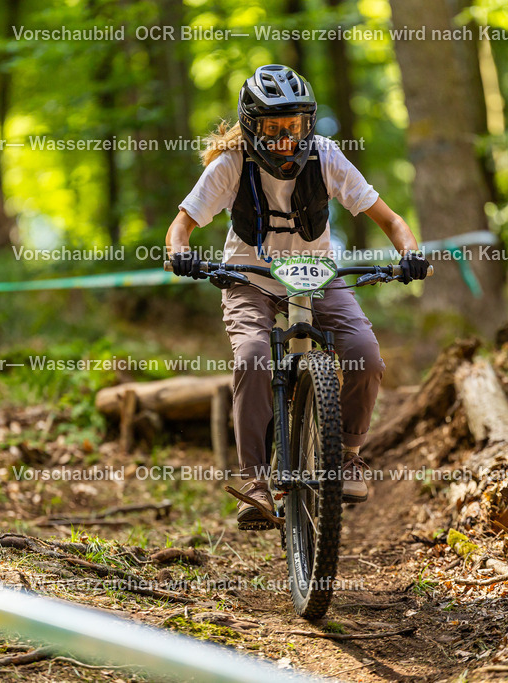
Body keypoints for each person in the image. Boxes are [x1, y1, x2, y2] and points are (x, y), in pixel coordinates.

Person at [164, 64, 428, 529]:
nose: (286, 139)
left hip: (317, 276)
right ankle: (254, 480)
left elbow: (390, 219)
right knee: (252, 357)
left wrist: (410, 253)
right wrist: (180, 254)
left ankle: (347, 456)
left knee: (365, 354)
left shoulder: (326, 156)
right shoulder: (231, 164)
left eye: (295, 125)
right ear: (252, 128)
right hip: (249, 279)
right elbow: (180, 225)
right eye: (274, 129)